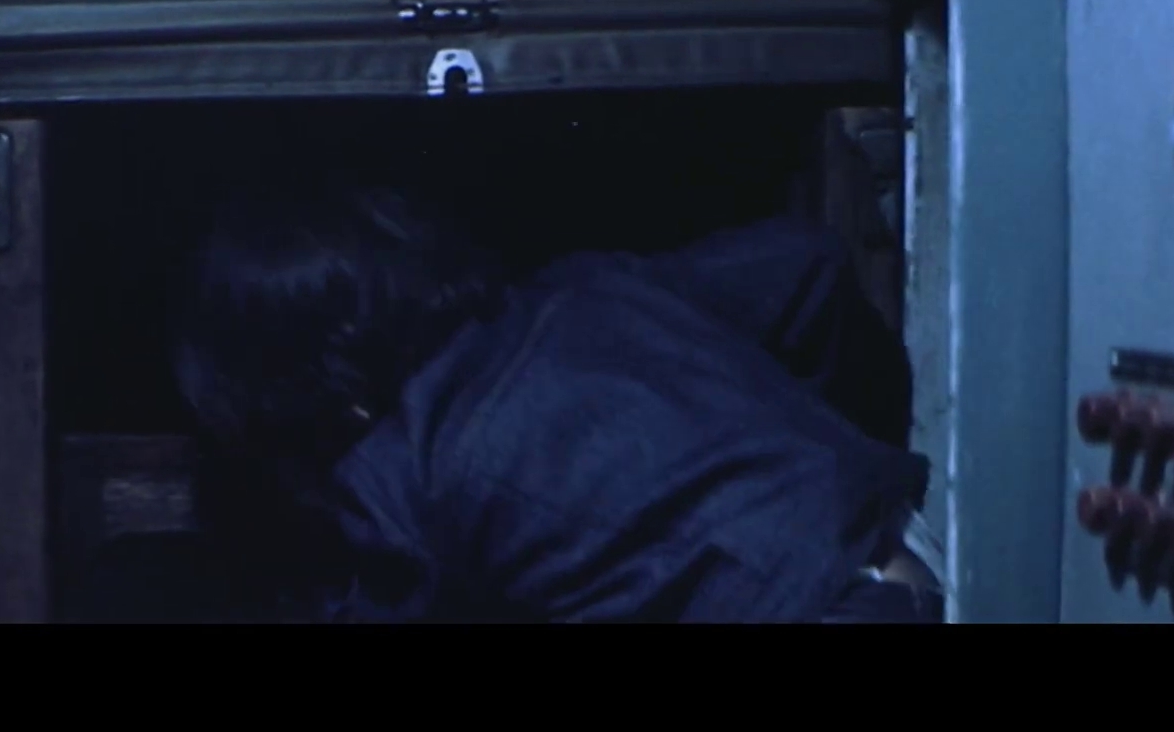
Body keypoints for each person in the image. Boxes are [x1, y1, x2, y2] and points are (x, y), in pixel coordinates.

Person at [172, 181, 944, 622]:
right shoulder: (586, 289)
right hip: (909, 562)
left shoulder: (396, 472)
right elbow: (808, 262)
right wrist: (803, 450)